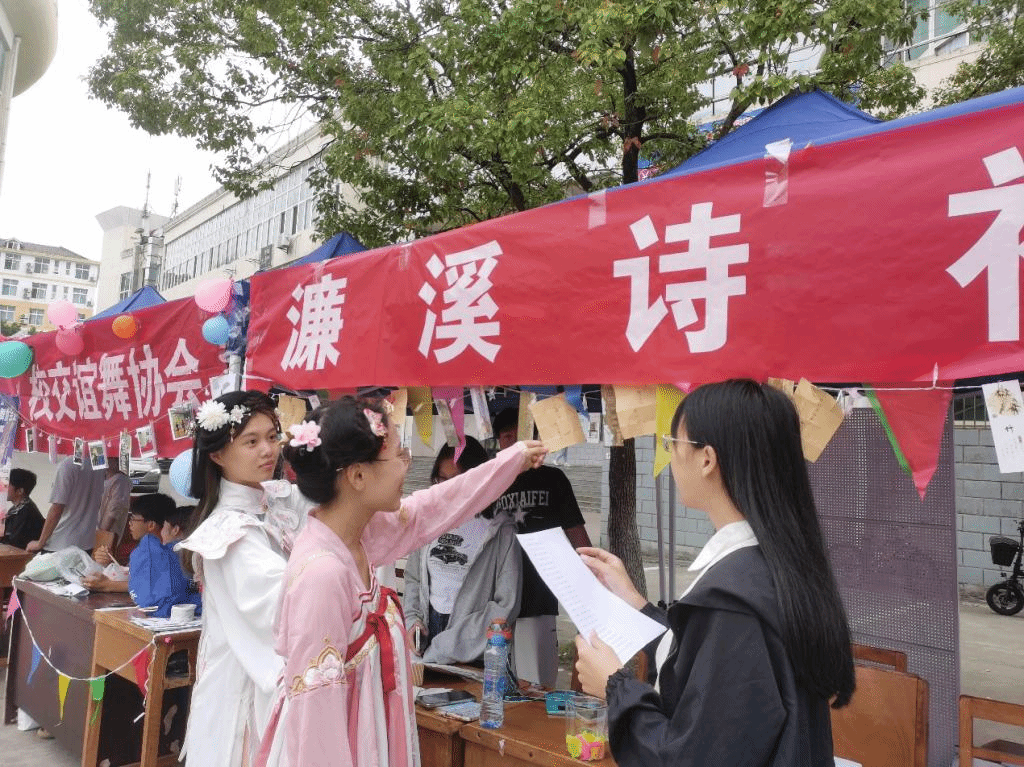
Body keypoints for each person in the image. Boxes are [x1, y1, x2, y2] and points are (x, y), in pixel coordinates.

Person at [574, 380, 855, 767]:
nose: (670, 455)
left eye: (673, 442)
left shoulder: (732, 600)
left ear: (707, 459)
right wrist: (636, 602)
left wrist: (615, 686)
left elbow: (691, 757)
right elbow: (704, 662)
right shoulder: (772, 565)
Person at [264, 396, 546, 766]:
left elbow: (436, 505)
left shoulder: (361, 536)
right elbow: (315, 717)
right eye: (399, 455)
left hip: (369, 734)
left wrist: (510, 462)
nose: (405, 468)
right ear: (358, 476)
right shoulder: (323, 573)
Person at [175, 390, 314, 767]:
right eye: (251, 442)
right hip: (245, 679)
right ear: (218, 455)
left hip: (269, 671)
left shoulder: (277, 500)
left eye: (272, 437)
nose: (268, 450)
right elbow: (285, 602)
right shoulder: (228, 532)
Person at [492, 406, 591, 687]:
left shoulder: (554, 479)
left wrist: (591, 582)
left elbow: (576, 532)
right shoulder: (492, 483)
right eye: (507, 437)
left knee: (537, 684)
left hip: (539, 595)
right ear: (498, 442)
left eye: (520, 436)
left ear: (534, 440)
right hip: (498, 599)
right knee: (497, 681)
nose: (514, 444)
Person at [403, 436, 522, 665]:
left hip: (473, 649)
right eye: (442, 480)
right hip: (425, 641)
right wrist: (413, 622)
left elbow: (505, 605)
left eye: (458, 481)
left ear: (479, 481)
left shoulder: (500, 531)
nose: (448, 490)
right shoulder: (428, 521)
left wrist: (448, 646)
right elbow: (414, 578)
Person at [84, 492, 175, 595]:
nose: (129, 523)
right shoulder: (145, 547)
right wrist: (109, 563)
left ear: (151, 525)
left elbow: (152, 584)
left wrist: (107, 585)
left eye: (133, 519)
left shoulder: (167, 552)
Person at [26, 453, 106, 553]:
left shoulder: (68, 465)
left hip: (61, 544)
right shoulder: (99, 461)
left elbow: (57, 509)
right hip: (86, 543)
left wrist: (40, 543)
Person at [94, 458, 133, 560]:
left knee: (101, 560)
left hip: (104, 535)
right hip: (97, 533)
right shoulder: (106, 477)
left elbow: (113, 512)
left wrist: (101, 536)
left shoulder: (120, 481)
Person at [0, 468, 44, 549]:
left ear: (20, 491)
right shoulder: (17, 509)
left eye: (6, 485)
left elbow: (13, 542)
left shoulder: (26, 512)